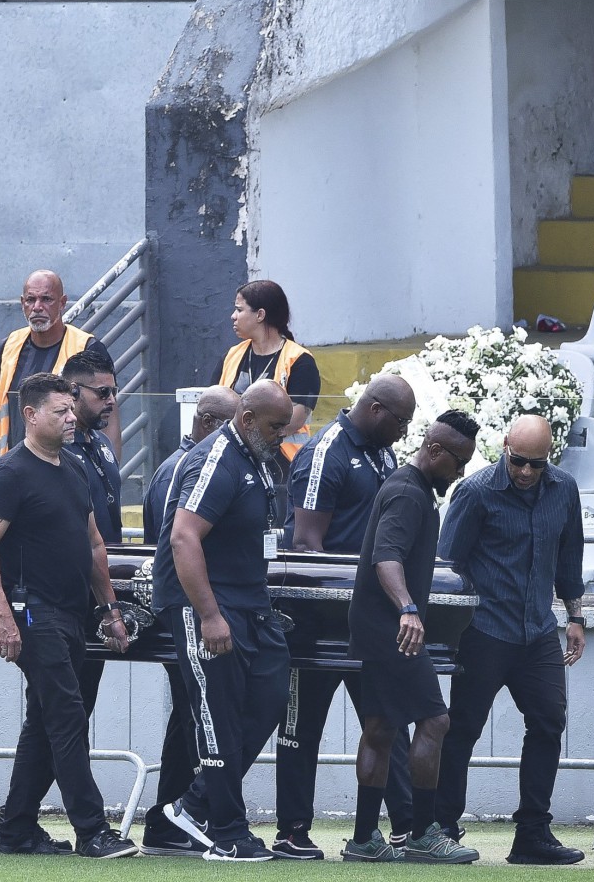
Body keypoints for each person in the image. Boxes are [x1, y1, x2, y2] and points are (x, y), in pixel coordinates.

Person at [0, 373, 135, 859]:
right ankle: (92, 829)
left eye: (70, 409)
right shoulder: (9, 473)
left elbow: (94, 545)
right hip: (31, 614)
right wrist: (2, 617)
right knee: (66, 717)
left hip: (72, 613)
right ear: (31, 415)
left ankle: (16, 829)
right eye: (60, 411)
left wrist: (110, 610)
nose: (70, 418)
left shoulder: (75, 469)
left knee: (45, 722)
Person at [272, 374, 418, 861]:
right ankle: (292, 831)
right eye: (401, 421)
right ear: (376, 410)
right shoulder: (325, 452)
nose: (405, 431)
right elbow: (306, 546)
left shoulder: (383, 451)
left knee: (387, 718)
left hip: (368, 618)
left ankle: (405, 827)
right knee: (301, 725)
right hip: (317, 620)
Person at [434, 414, 589, 866]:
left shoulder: (564, 489)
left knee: (548, 723)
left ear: (550, 456)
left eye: (535, 464)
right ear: (504, 446)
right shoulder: (476, 491)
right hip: (483, 630)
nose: (524, 472)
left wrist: (576, 617)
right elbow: (447, 566)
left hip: (539, 631)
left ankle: (532, 834)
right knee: (462, 729)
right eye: (518, 461)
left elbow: (570, 555)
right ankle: (442, 827)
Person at [152, 380, 296, 862]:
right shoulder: (218, 459)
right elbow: (183, 538)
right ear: (249, 419)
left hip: (250, 603)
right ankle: (228, 832)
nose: (283, 435)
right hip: (209, 604)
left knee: (272, 697)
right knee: (219, 715)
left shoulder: (256, 457)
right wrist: (209, 615)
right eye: (277, 426)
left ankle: (194, 805)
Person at [343, 412, 481, 865]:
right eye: (458, 461)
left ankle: (364, 840)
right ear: (435, 451)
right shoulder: (407, 492)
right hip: (391, 631)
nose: (460, 472)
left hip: (378, 628)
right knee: (435, 721)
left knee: (381, 728)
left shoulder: (413, 488)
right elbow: (386, 556)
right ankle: (421, 834)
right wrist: (407, 608)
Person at [136, 385, 240, 856]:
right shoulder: (187, 466)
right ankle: (172, 818)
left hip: (188, 609)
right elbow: (178, 544)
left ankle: (169, 819)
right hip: (188, 610)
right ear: (208, 422)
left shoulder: (185, 464)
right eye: (233, 423)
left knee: (190, 716)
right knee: (197, 716)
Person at [0, 269, 120, 466]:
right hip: (17, 472)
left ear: (62, 303)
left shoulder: (87, 348)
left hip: (70, 474)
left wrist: (110, 475)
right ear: (22, 303)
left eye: (47, 299)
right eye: (30, 300)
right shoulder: (7, 349)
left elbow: (108, 416)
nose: (37, 307)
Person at [58, 345, 124, 718]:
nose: (111, 401)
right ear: (73, 393)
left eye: (114, 392)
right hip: (68, 598)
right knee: (60, 713)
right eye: (102, 393)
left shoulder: (100, 443)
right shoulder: (57, 451)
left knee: (81, 708)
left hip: (103, 589)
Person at [217, 279, 319, 467]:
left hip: (284, 465)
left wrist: (242, 434)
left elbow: (295, 419)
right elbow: (215, 405)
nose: (233, 316)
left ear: (260, 315)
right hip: (233, 459)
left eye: (239, 310)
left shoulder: (300, 360)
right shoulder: (231, 356)